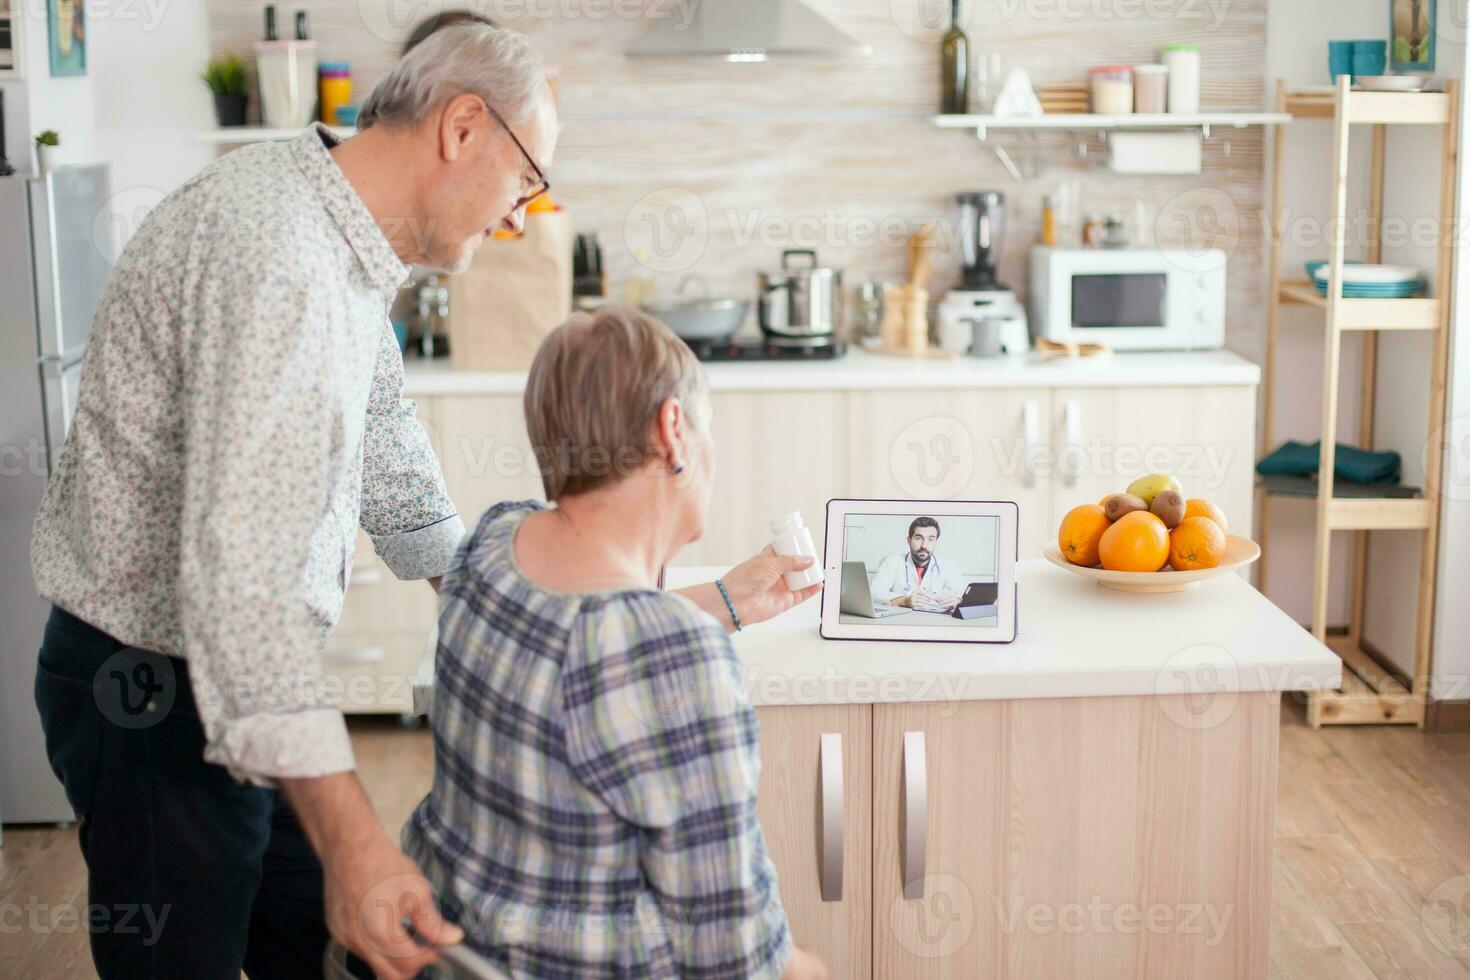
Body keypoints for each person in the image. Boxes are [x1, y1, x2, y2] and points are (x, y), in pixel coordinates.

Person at [28, 22, 805, 980]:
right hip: (150, 686)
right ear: (464, 127)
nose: (521, 219)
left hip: (245, 684)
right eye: (528, 183)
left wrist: (667, 605)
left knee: (298, 938)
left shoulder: (338, 231)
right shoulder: (284, 266)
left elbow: (395, 465)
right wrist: (358, 849)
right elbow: (246, 599)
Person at [402, 308, 831, 979]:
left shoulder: (491, 543)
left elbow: (576, 640)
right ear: (672, 429)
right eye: (706, 426)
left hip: (453, 955)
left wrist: (723, 601)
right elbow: (737, 960)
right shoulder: (673, 659)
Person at [870, 516, 965, 610]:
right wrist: (904, 601)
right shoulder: (892, 562)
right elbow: (873, 593)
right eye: (918, 538)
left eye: (931, 539)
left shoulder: (947, 565)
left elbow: (962, 595)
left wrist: (957, 600)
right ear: (909, 540)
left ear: (936, 541)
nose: (924, 545)